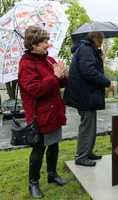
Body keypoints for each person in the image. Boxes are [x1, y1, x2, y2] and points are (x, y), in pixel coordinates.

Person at [18, 26, 67, 198]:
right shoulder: (26, 64)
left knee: (54, 145)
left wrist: (63, 75)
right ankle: (33, 183)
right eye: (44, 42)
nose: (48, 44)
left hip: (54, 113)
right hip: (39, 116)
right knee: (38, 150)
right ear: (34, 44)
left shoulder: (49, 60)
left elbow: (58, 83)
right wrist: (54, 76)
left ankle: (52, 175)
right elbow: (35, 90)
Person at [64, 32, 113, 167]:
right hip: (85, 95)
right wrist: (107, 82)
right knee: (87, 126)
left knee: (90, 126)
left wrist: (98, 55)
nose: (102, 42)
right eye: (101, 39)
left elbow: (90, 68)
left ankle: (87, 152)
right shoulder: (86, 49)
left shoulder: (88, 49)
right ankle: (81, 156)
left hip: (86, 95)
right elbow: (89, 71)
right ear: (95, 39)